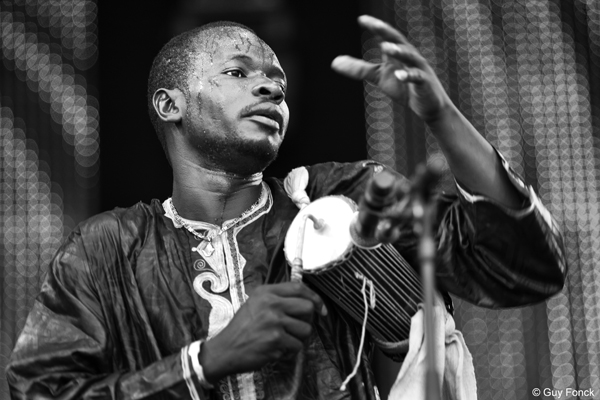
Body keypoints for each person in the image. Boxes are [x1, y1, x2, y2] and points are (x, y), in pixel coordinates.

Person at [7, 15, 565, 400]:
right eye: (239, 73)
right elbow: (40, 391)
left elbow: (529, 267)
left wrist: (442, 114)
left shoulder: (337, 198)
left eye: (278, 81)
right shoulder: (105, 251)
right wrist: (204, 362)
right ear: (169, 103)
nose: (273, 89)